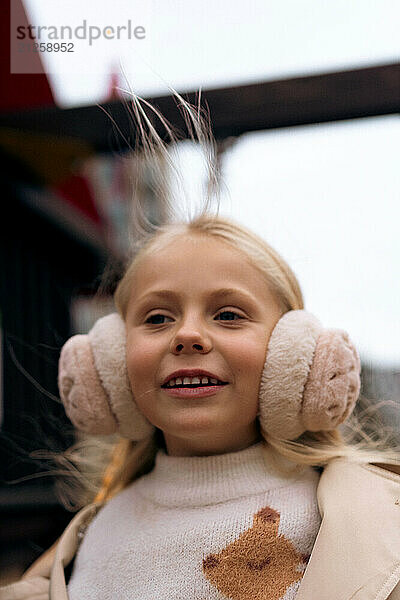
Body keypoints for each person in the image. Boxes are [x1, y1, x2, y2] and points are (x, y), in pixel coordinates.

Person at [1, 97, 399, 600]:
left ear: (295, 360)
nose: (187, 335)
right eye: (158, 318)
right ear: (110, 367)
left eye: (228, 314)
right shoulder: (81, 544)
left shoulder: (375, 526)